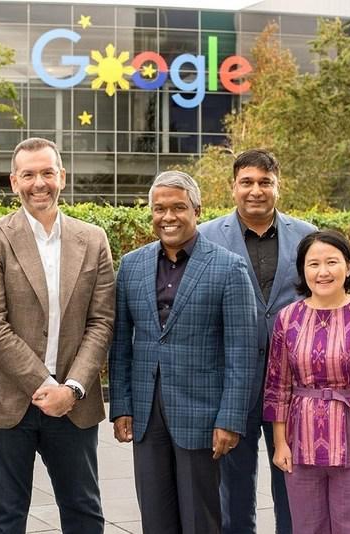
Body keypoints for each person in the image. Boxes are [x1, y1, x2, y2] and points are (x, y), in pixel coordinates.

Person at [0, 138, 115, 534]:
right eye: (28, 174)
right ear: (14, 182)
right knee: (4, 515)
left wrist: (72, 388)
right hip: (5, 401)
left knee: (84, 512)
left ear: (62, 177)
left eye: (47, 172)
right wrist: (45, 384)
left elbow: (101, 321)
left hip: (73, 403)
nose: (38, 183)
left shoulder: (93, 239)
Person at [109, 170, 258, 534]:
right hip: (146, 414)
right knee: (155, 519)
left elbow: (242, 352)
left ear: (197, 210)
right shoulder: (131, 266)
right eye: (159, 209)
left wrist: (230, 419)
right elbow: (121, 344)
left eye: (178, 207)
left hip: (203, 416)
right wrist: (122, 405)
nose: (168, 216)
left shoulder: (229, 267)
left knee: (200, 520)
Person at [199, 148, 315, 534]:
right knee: (232, 486)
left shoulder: (307, 235)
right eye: (247, 182)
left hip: (293, 383)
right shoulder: (205, 237)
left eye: (265, 182)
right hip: (232, 380)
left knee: (293, 478)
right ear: (233, 187)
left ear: (278, 187)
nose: (256, 190)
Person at [263, 230, 350, 534]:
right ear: (302, 270)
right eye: (313, 264)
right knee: (306, 528)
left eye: (331, 262)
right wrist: (280, 443)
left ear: (348, 266)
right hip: (301, 442)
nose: (322, 272)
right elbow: (277, 386)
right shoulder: (287, 319)